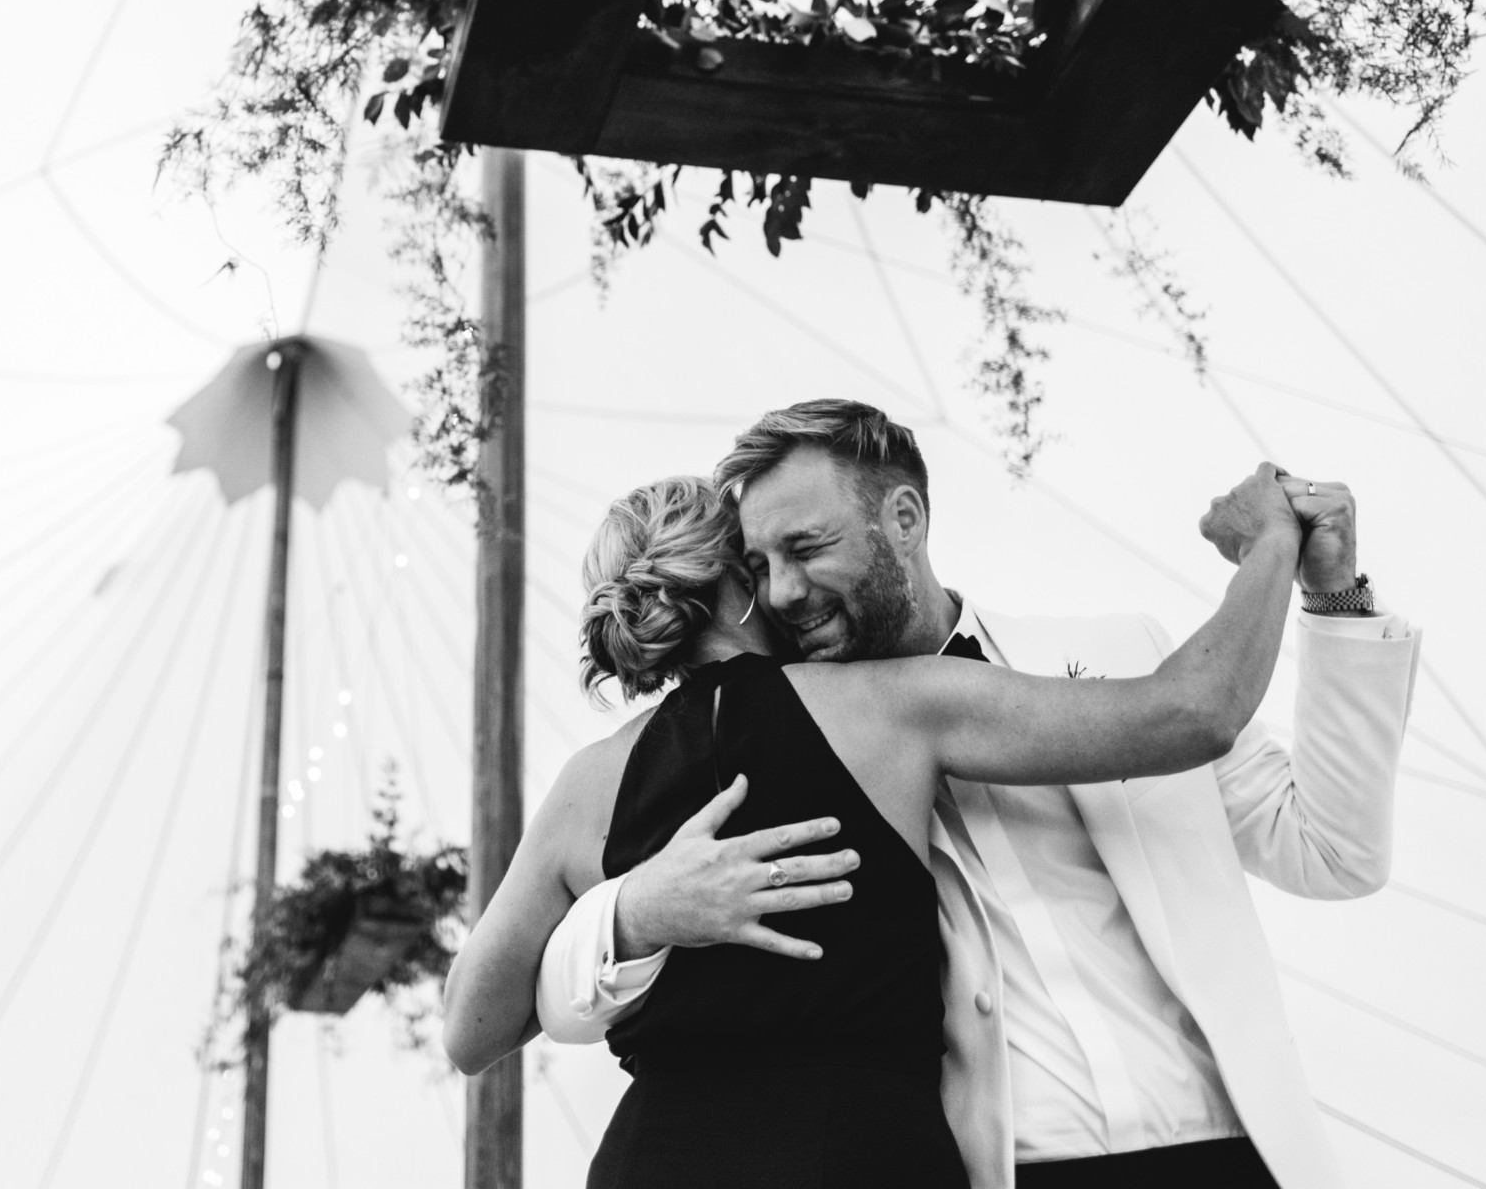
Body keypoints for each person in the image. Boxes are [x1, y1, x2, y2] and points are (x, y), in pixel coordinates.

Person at [511, 402, 1417, 1189]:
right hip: (1006, 1169)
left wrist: (1334, 595)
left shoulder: (1124, 652)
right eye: (758, 566)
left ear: (903, 518)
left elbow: (1333, 852)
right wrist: (630, 912)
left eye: (807, 548)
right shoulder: (784, 750)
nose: (783, 591)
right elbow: (546, 992)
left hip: (1230, 1149)